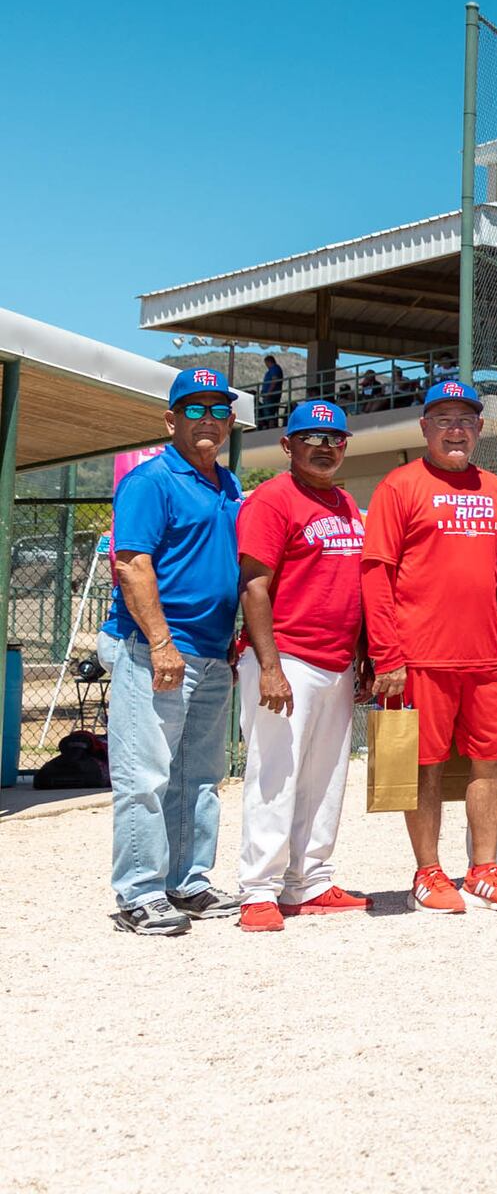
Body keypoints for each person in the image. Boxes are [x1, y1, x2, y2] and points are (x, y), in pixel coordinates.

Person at [362, 379, 497, 915]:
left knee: (492, 763)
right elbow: (376, 574)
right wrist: (387, 654)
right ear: (425, 428)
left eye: (465, 420)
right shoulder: (399, 485)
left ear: (480, 429)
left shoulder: (495, 490)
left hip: (486, 658)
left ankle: (484, 868)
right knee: (424, 764)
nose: (455, 429)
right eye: (443, 420)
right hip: (421, 657)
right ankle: (428, 871)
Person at [103, 369, 248, 935]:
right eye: (193, 409)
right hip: (156, 649)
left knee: (200, 775)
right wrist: (162, 643)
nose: (207, 418)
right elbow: (131, 563)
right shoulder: (152, 481)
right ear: (171, 420)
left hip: (212, 653)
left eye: (217, 409)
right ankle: (138, 892)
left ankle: (187, 882)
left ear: (230, 421)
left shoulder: (229, 484)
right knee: (144, 777)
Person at [232, 400, 369, 932]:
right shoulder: (272, 500)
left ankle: (308, 880)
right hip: (286, 655)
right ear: (288, 445)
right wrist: (268, 665)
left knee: (326, 774)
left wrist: (361, 653)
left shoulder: (344, 504)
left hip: (335, 661)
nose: (325, 445)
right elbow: (254, 585)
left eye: (335, 437)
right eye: (311, 436)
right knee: (275, 773)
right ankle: (258, 890)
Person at [258, 354, 285, 427]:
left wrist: (268, 393)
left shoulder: (274, 369)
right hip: (270, 395)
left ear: (269, 362)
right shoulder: (273, 369)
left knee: (270, 413)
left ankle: (271, 427)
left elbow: (274, 380)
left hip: (271, 396)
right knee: (269, 412)